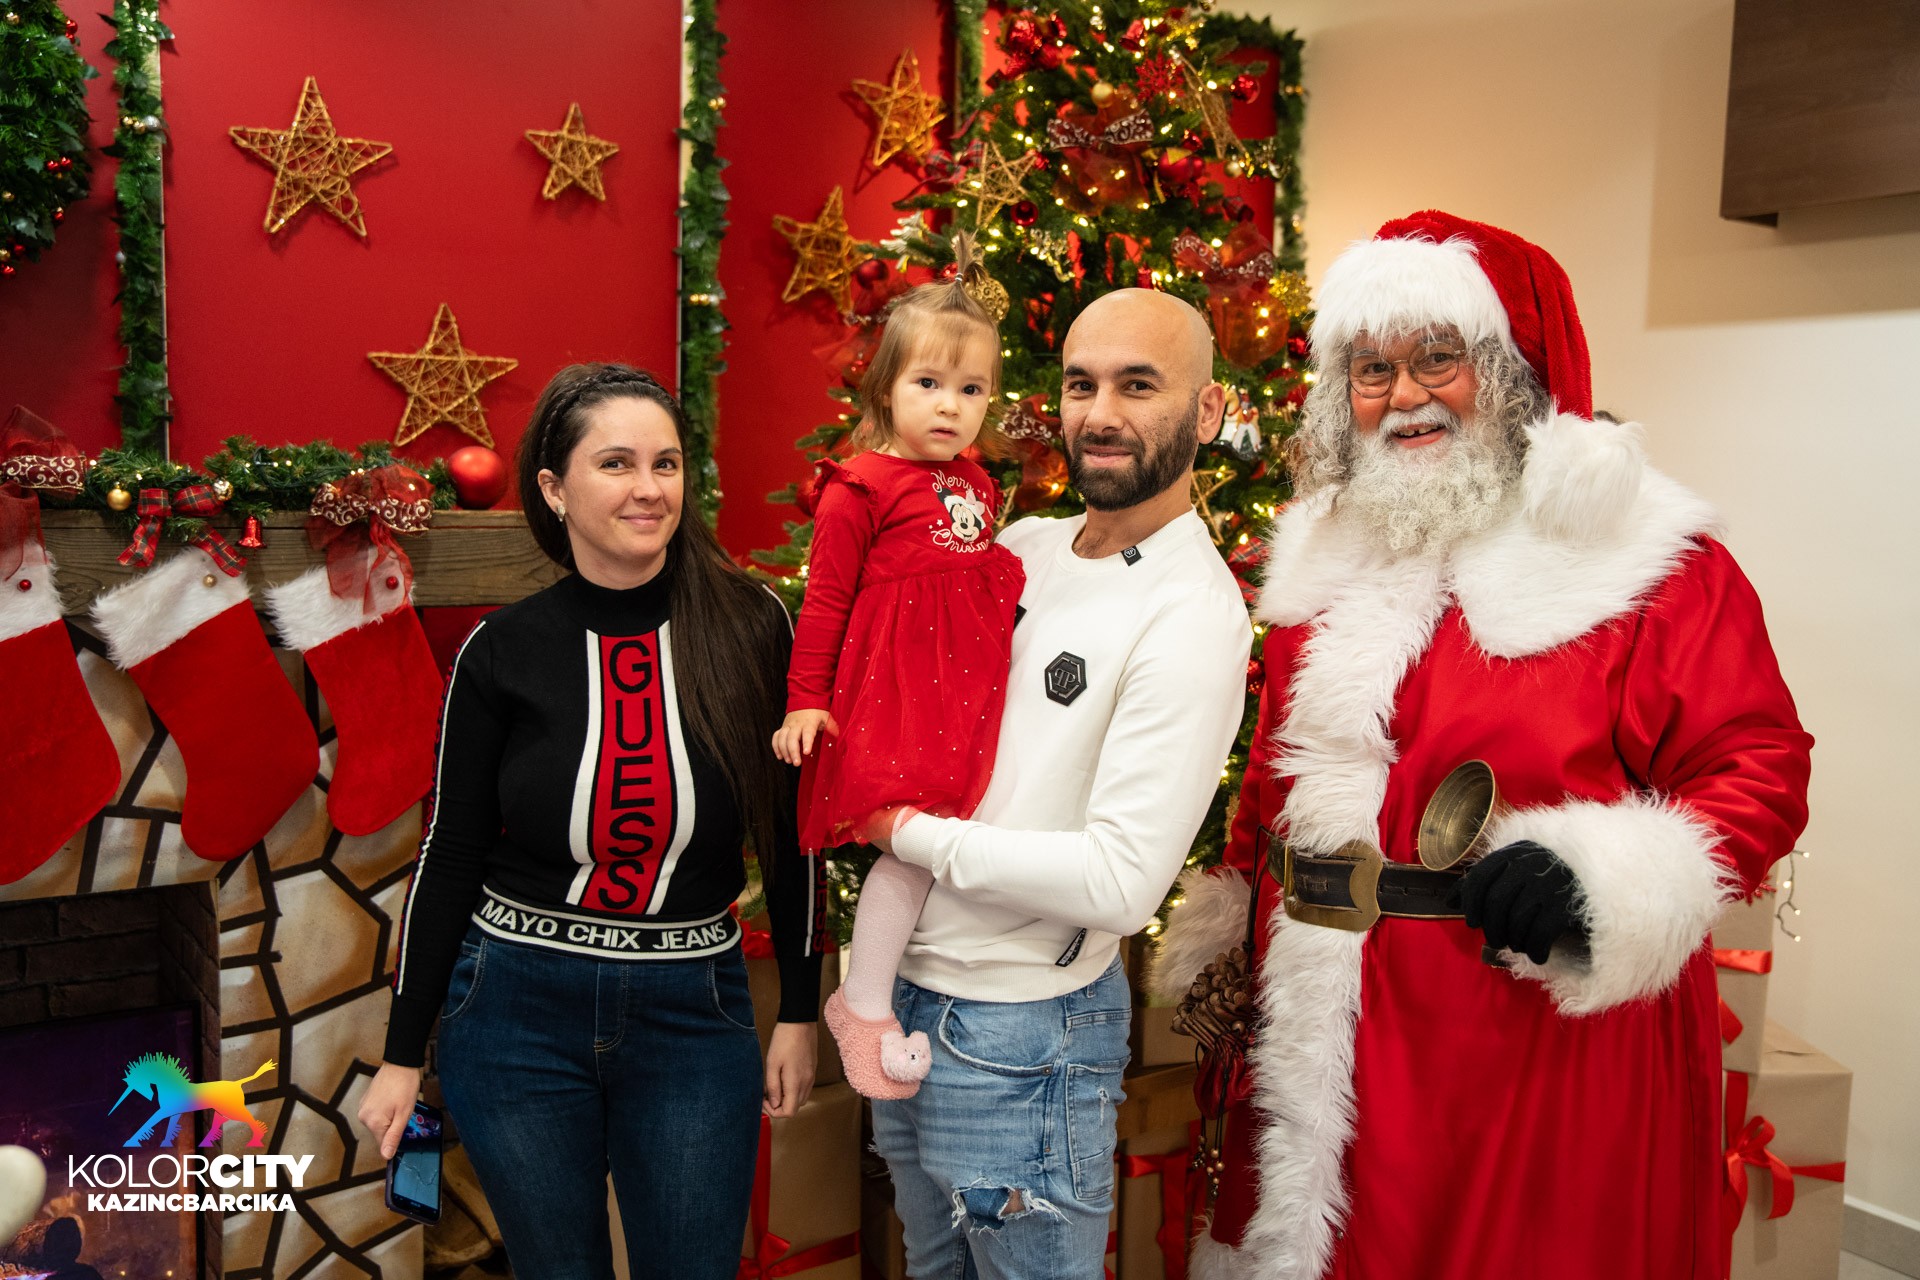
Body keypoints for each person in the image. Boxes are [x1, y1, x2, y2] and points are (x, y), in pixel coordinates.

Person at [1152, 211, 1813, 1280]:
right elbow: (1278, 782)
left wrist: (1603, 878)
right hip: (1327, 1026)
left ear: (1512, 373)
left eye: (1437, 358)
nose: (1404, 395)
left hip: (1527, 1042)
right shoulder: (1323, 563)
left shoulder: (1644, 562)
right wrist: (1236, 911)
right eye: (1373, 369)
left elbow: (1758, 764)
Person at [356, 365, 825, 1280]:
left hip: (694, 1012)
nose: (649, 488)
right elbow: (449, 853)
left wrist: (801, 1011)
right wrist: (403, 1054)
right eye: (616, 463)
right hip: (515, 1013)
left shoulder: (753, 625)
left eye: (666, 464)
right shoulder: (500, 650)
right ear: (553, 488)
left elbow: (790, 831)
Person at [863, 288, 1253, 1279]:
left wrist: (907, 834)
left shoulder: (1191, 609)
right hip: (903, 998)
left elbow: (1119, 883)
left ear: (1207, 410)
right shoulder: (1019, 546)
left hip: (1021, 1036)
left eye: (1139, 385)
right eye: (1082, 385)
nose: (1101, 414)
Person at [773, 233, 1026, 1102]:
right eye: (928, 383)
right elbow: (825, 603)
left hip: (965, 693)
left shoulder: (977, 485)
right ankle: (864, 1001)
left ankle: (893, 989)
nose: (950, 406)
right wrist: (805, 701)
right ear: (885, 387)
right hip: (895, 698)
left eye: (971, 389)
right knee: (914, 844)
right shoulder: (859, 487)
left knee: (951, 839)